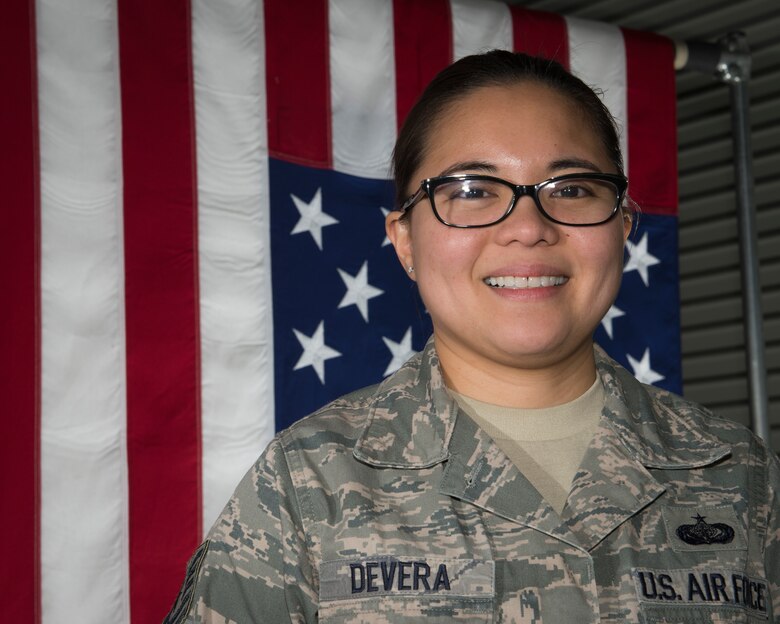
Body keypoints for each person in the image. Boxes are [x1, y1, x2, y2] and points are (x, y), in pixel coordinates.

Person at [165, 50, 779, 623]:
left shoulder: (740, 473)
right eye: (472, 191)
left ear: (621, 227)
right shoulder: (308, 484)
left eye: (570, 189)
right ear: (406, 240)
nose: (528, 227)